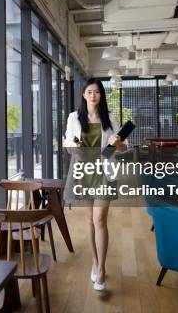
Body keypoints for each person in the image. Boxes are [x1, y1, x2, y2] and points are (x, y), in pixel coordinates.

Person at [63, 78, 128, 291]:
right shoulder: (74, 117)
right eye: (90, 92)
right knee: (90, 220)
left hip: (104, 172)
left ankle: (101, 268)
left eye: (97, 92)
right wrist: (75, 148)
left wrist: (117, 143)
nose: (93, 95)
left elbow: (124, 147)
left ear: (101, 95)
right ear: (84, 95)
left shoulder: (109, 119)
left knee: (100, 219)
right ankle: (94, 260)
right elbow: (68, 145)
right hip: (83, 172)